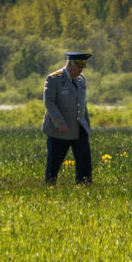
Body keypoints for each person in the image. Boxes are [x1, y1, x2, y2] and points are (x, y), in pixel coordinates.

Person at [41, 51, 93, 184]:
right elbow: (49, 103)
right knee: (54, 164)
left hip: (79, 127)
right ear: (70, 64)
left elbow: (82, 103)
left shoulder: (81, 80)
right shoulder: (54, 79)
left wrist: (86, 124)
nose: (81, 70)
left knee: (85, 162)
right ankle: (50, 186)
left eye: (83, 67)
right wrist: (59, 122)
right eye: (79, 66)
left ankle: (84, 186)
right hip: (60, 129)